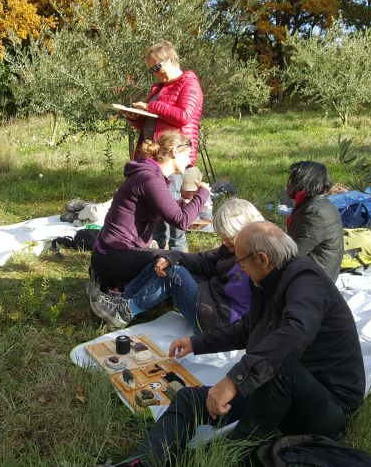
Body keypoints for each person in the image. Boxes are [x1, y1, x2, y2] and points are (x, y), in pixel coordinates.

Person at [125, 221, 365, 466]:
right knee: (189, 399)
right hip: (277, 389)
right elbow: (249, 328)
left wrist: (234, 380)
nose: (239, 269)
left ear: (262, 259)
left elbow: (295, 333)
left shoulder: (307, 280)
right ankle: (142, 462)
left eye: (240, 261)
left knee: (278, 368)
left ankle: (228, 456)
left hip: (328, 406)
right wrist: (197, 343)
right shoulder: (267, 280)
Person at [89, 198, 264, 331]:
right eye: (223, 236)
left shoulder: (257, 262)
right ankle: (122, 300)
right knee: (164, 262)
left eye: (229, 236)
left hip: (217, 323)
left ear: (245, 230)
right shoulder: (233, 248)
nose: (224, 240)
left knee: (173, 273)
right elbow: (204, 260)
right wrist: (170, 256)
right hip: (210, 301)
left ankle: (123, 312)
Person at [88, 132, 210, 299]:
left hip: (112, 255)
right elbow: (181, 220)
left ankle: (122, 287)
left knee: (170, 263)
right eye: (187, 156)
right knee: (174, 261)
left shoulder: (151, 175)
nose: (190, 162)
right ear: (174, 152)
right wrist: (203, 193)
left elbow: (168, 210)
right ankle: (120, 296)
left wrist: (184, 203)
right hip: (113, 258)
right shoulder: (149, 179)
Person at [124, 40, 203, 252]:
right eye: (152, 70)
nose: (156, 72)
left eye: (158, 67)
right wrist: (135, 118)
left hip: (173, 156)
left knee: (174, 206)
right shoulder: (159, 87)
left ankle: (179, 255)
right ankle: (157, 251)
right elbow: (154, 120)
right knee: (154, 206)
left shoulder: (189, 83)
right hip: (154, 155)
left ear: (170, 59)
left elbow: (184, 116)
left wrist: (151, 106)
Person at [283, 161, 344, 281]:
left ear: (304, 182)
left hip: (315, 278)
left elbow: (295, 252)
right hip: (312, 268)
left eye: (292, 179)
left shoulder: (315, 213)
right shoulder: (312, 204)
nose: (289, 184)